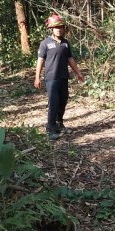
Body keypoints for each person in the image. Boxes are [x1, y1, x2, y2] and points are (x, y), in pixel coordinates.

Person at [34, 13, 85, 141]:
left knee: (63, 101)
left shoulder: (65, 43)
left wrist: (78, 73)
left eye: (61, 27)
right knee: (53, 103)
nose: (60, 29)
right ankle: (50, 128)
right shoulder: (45, 43)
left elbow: (70, 59)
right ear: (51, 29)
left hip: (63, 77)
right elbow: (40, 60)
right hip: (51, 78)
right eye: (57, 27)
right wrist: (37, 77)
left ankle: (59, 124)